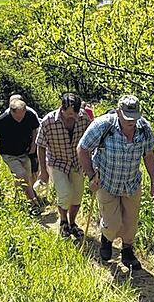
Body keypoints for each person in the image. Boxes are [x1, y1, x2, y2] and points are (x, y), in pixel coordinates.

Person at [77, 95, 154, 270]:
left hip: (131, 183)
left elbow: (149, 155)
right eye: (128, 118)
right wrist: (91, 175)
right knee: (112, 223)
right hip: (106, 182)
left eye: (134, 118)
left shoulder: (144, 128)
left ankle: (127, 252)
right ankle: (107, 239)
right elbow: (82, 148)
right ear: (118, 112)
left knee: (131, 222)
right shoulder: (103, 125)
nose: (131, 122)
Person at [36, 93, 92, 239]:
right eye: (67, 114)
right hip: (57, 161)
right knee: (65, 193)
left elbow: (91, 142)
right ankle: (63, 221)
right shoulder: (48, 121)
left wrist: (91, 165)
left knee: (77, 197)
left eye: (73, 115)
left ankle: (72, 223)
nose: (70, 118)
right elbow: (40, 146)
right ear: (61, 108)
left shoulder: (84, 118)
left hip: (77, 162)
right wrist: (43, 171)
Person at [0, 96, 42, 214]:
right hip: (9, 154)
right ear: (11, 112)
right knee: (22, 175)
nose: (20, 118)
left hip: (24, 152)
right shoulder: (2, 120)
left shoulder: (30, 115)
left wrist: (34, 145)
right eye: (17, 116)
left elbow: (35, 129)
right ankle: (33, 203)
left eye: (22, 115)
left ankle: (19, 199)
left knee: (27, 177)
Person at [2, 94, 42, 184]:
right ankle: (24, 191)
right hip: (15, 149)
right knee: (18, 173)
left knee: (34, 170)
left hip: (31, 145)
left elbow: (37, 129)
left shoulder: (31, 113)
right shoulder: (6, 115)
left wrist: (33, 146)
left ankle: (35, 191)